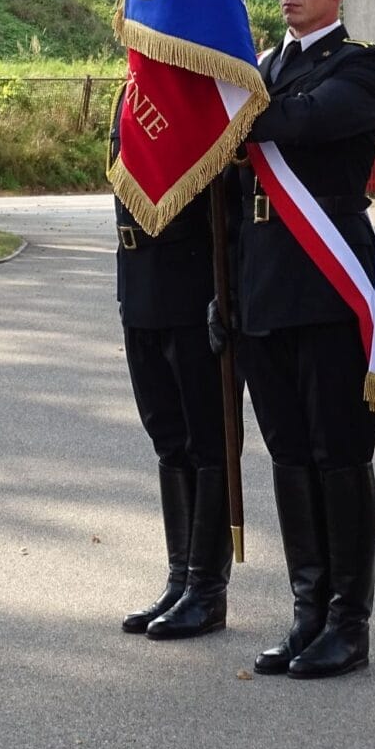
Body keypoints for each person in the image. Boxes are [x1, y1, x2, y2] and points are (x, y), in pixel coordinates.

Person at [235, 0, 375, 681]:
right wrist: (226, 292)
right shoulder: (260, 66)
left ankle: (347, 623)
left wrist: (229, 101)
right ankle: (306, 610)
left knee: (338, 457)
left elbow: (304, 121)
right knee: (289, 458)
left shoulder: (362, 65)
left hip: (329, 290)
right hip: (264, 290)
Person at [111, 112, 235, 641]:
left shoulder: (196, 87)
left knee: (207, 441)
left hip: (187, 281)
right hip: (139, 283)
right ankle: (179, 579)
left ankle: (206, 591)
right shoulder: (131, 89)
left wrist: (224, 293)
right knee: (167, 438)